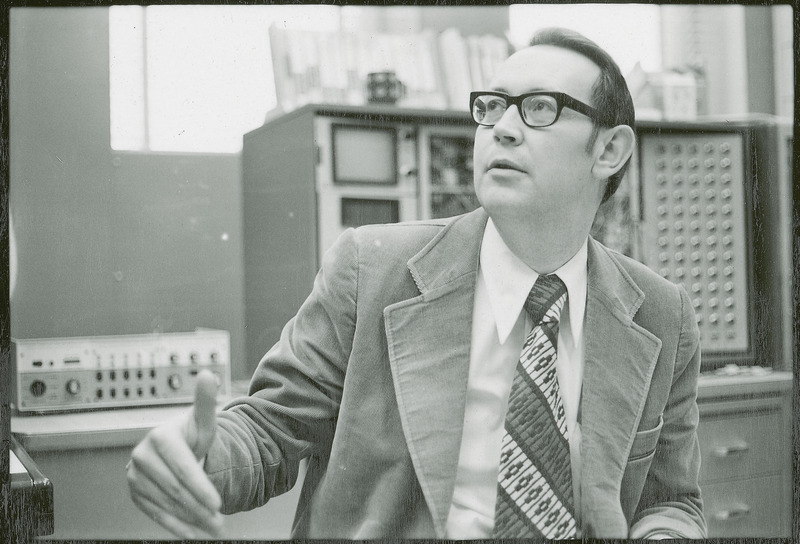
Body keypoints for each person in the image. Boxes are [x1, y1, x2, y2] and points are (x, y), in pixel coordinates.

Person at [126, 27, 706, 539]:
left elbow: (670, 502)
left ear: (609, 149)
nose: (501, 129)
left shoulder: (661, 313)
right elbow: (267, 431)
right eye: (491, 107)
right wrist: (198, 457)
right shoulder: (370, 268)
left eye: (539, 108)